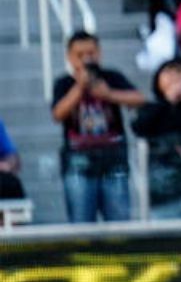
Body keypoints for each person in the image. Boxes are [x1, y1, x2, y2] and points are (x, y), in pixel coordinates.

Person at [50, 32, 144, 223]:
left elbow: (139, 99)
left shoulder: (111, 77)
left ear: (99, 53)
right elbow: (58, 114)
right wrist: (79, 88)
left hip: (113, 159)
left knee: (119, 219)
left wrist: (108, 94)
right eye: (80, 54)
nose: (87, 58)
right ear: (69, 57)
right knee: (81, 221)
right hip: (78, 162)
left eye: (91, 53)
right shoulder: (64, 83)